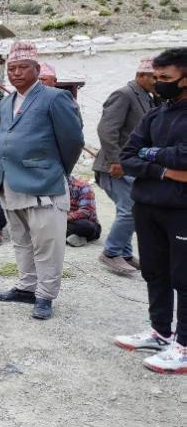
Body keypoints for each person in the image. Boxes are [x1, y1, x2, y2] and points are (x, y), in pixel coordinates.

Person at [0, 41, 84, 321]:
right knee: (21, 240)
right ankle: (26, 287)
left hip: (44, 181)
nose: (16, 73)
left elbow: (73, 141)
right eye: (11, 68)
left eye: (22, 68)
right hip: (10, 182)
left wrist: (57, 169)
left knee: (47, 243)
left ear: (36, 68)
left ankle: (45, 295)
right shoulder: (6, 101)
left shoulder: (55, 98)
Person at [115, 47, 187, 374]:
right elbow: (128, 155)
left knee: (183, 277)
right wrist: (163, 168)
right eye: (156, 78)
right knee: (154, 271)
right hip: (147, 205)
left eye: (167, 78)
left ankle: (183, 346)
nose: (159, 84)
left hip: (180, 208)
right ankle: (160, 333)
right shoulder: (155, 114)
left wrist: (150, 154)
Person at [92, 57, 157, 273]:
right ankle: (111, 252)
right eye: (154, 78)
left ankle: (125, 254)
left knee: (131, 208)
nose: (158, 82)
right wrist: (115, 161)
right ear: (141, 76)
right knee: (130, 208)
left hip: (131, 165)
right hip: (114, 166)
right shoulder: (124, 94)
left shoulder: (147, 97)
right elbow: (106, 129)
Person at [65, 175, 101, 246]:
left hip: (81, 221)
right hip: (63, 223)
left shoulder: (83, 186)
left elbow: (85, 211)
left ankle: (59, 235)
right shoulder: (50, 186)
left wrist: (63, 218)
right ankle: (75, 238)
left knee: (86, 227)